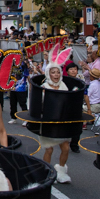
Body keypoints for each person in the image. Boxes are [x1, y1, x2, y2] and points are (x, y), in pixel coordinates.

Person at [38, 47, 75, 184]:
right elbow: (39, 105)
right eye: (53, 72)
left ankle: (61, 171)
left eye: (58, 72)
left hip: (62, 123)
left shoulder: (64, 86)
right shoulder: (44, 87)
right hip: (49, 122)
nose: (56, 75)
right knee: (49, 149)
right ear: (48, 73)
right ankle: (46, 171)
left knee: (65, 147)